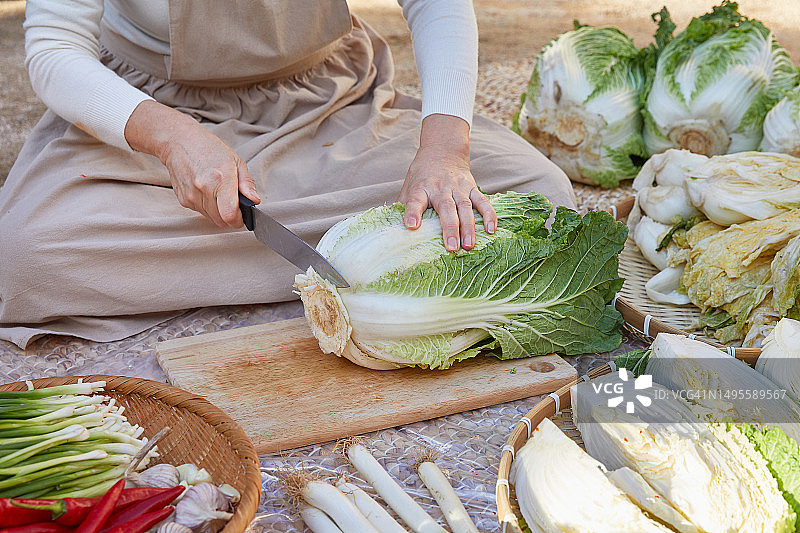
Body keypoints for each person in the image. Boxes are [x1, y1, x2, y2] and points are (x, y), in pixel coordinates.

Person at [0, 0, 576, 349]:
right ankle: (358, 264)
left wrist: (445, 149)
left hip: (324, 106)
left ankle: (256, 264)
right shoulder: (159, 128)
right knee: (26, 257)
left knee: (537, 194)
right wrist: (172, 138)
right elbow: (55, 50)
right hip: (150, 115)